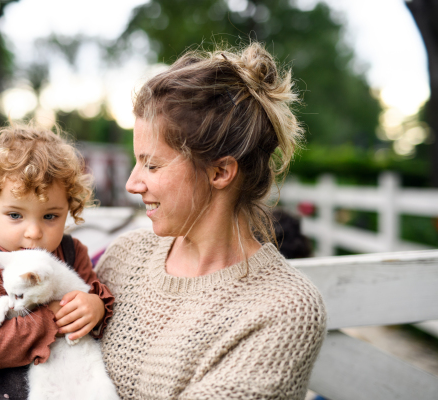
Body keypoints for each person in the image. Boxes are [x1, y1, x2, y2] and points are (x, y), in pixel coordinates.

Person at [95, 42, 327, 400]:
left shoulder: (285, 309)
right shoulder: (124, 259)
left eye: (152, 165)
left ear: (220, 172)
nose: (132, 183)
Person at [0, 123, 114, 400]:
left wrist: (95, 307)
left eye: (50, 216)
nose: (34, 232)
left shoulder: (72, 252)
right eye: (15, 215)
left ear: (69, 209)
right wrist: (52, 319)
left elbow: (95, 294)